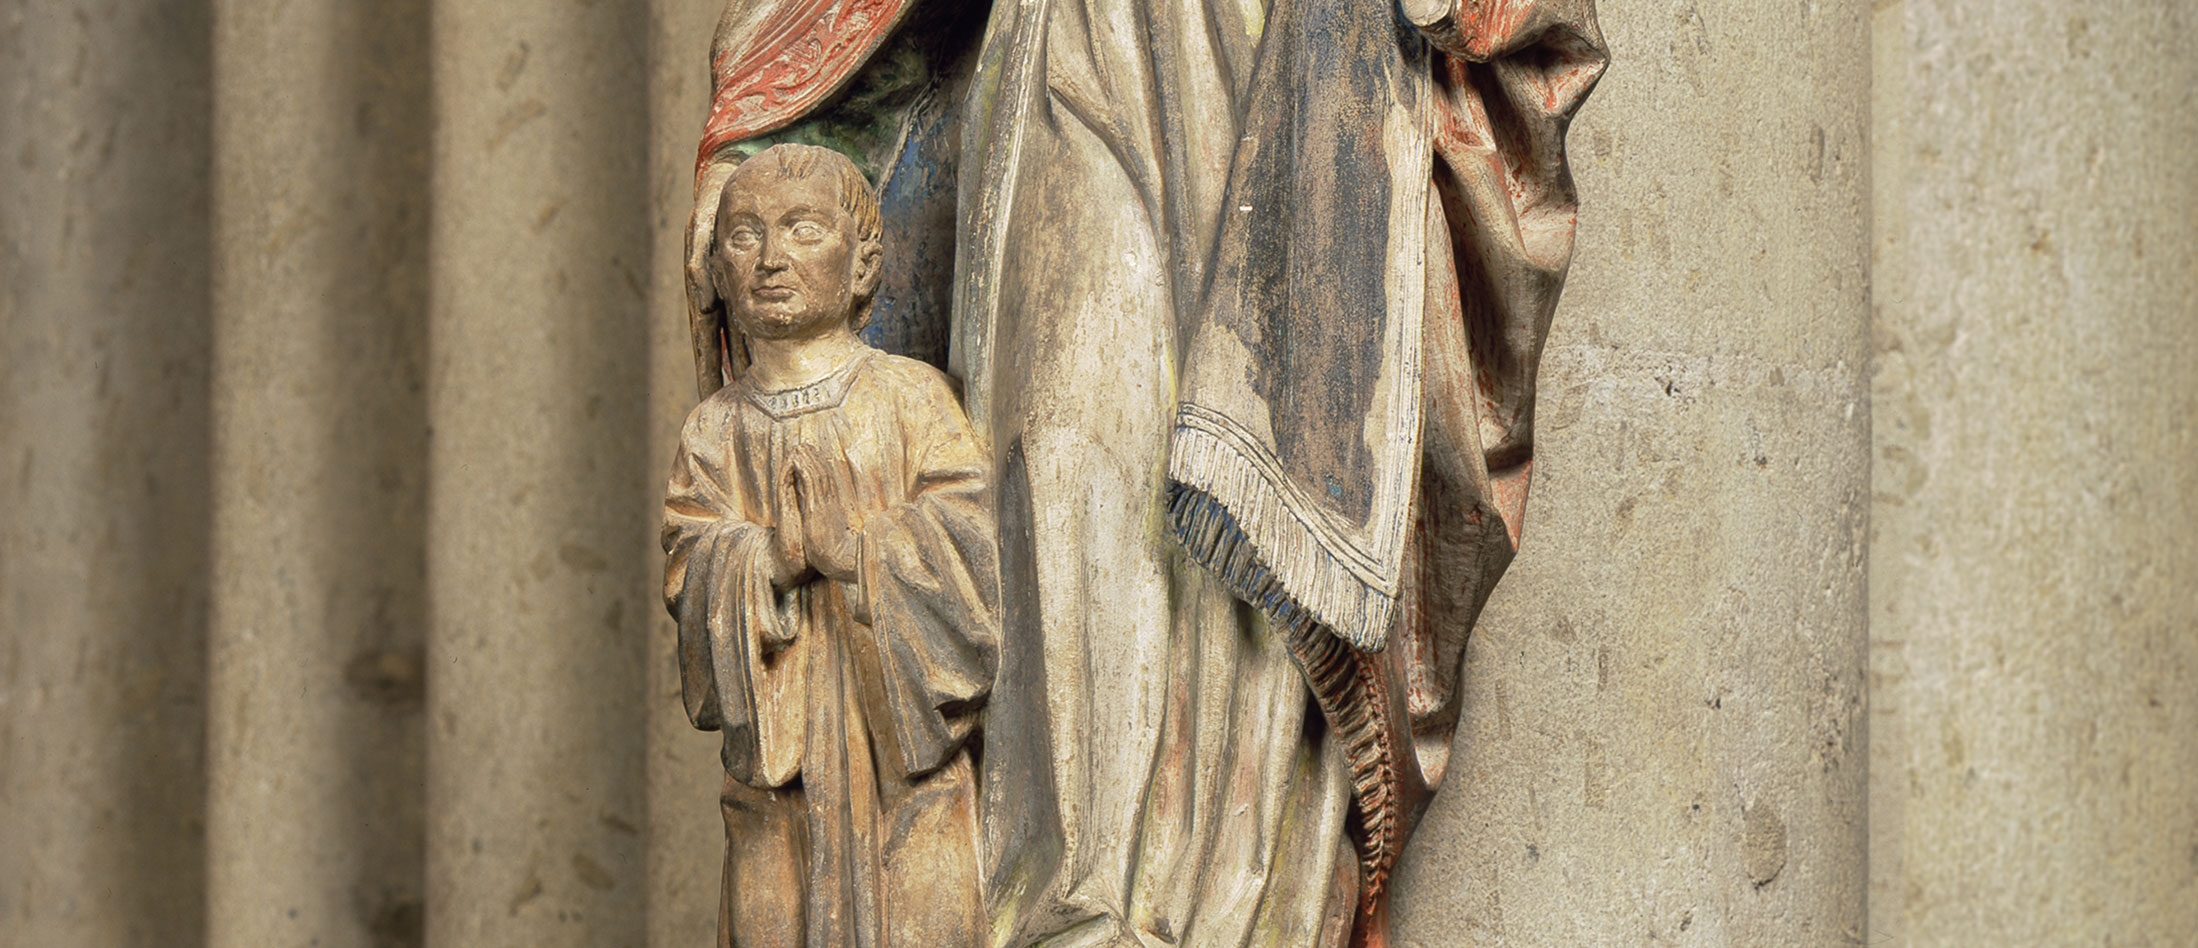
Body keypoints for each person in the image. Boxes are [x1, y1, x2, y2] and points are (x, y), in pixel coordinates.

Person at [684, 3, 1607, 946]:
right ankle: (1070, 897)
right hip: (1074, 44)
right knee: (1055, 444)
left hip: (1292, 60)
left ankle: (1213, 903)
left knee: (1246, 511)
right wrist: (765, 123)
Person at [662, 142, 1001, 948]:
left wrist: (858, 551)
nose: (771, 258)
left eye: (803, 228)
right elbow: (688, 563)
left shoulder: (909, 396)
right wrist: (764, 560)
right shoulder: (716, 428)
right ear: (715, 266)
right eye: (743, 236)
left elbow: (970, 536)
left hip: (904, 761)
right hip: (780, 777)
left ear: (862, 262)